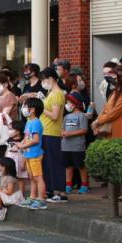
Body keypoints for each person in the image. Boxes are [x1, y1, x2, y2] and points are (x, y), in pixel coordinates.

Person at [38, 67, 67, 203]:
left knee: (55, 163)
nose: (43, 82)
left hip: (52, 133)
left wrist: (41, 107)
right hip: (46, 132)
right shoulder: (51, 92)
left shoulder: (57, 93)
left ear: (51, 79)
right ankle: (52, 191)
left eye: (44, 79)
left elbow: (55, 116)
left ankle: (60, 192)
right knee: (48, 164)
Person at [93, 65, 122, 140]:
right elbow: (106, 109)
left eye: (114, 75)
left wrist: (98, 121)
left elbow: (114, 112)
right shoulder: (115, 91)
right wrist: (98, 120)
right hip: (112, 132)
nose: (112, 78)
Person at [17, 97, 46, 210]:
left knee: (38, 177)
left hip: (35, 154)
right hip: (29, 154)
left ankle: (41, 199)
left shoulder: (36, 123)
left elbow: (35, 140)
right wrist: (20, 145)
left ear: (32, 109)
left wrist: (23, 146)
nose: (23, 108)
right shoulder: (29, 122)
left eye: (25, 106)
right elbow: (26, 138)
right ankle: (33, 198)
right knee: (32, 178)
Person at [60, 93, 90, 194]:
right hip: (65, 146)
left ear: (74, 103)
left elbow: (84, 130)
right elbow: (62, 129)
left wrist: (70, 133)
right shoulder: (66, 116)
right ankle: (68, 185)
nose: (67, 104)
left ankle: (84, 185)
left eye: (69, 102)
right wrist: (63, 133)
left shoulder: (82, 116)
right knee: (68, 166)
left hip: (77, 146)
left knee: (81, 166)